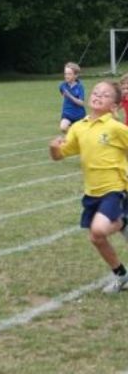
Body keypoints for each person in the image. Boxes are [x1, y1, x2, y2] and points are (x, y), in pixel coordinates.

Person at [49, 80, 128, 294]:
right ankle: (121, 275)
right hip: (92, 193)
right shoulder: (78, 127)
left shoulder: (116, 128)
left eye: (105, 95)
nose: (98, 96)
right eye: (96, 92)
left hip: (115, 189)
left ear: (114, 106)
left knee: (99, 229)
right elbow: (61, 155)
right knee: (96, 237)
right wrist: (53, 148)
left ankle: (123, 220)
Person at [58, 62, 85, 133]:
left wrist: (70, 96)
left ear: (75, 75)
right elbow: (63, 94)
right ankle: (73, 133)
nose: (66, 76)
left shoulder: (79, 87)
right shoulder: (62, 85)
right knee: (63, 128)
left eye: (69, 74)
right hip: (67, 114)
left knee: (81, 132)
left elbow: (81, 103)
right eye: (65, 74)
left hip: (79, 115)